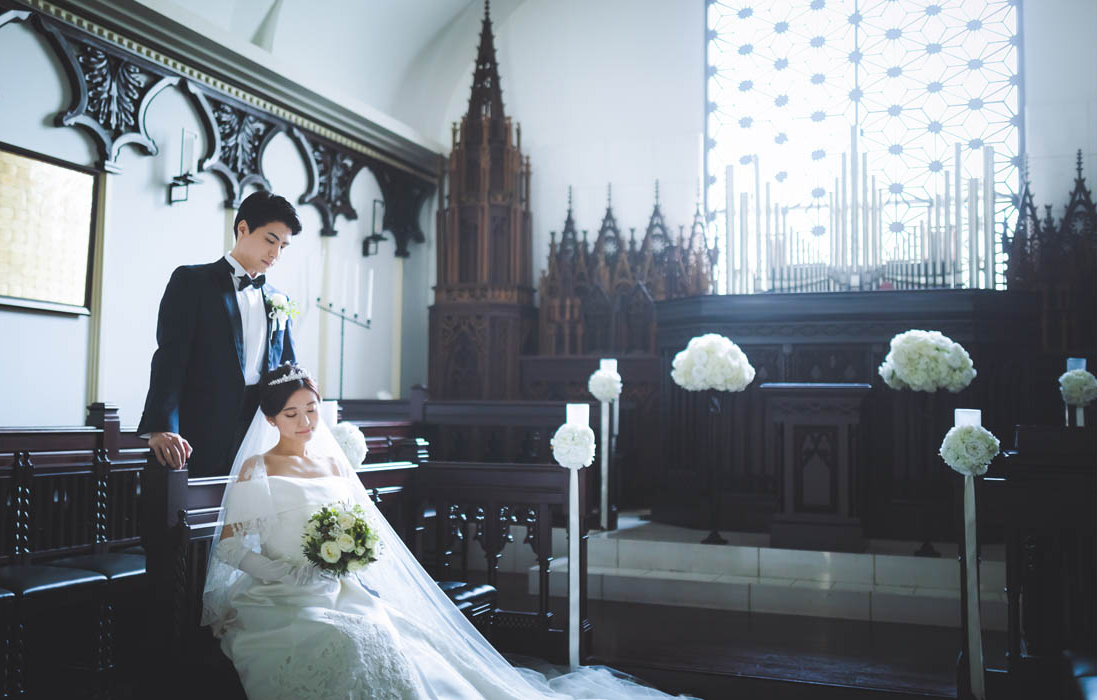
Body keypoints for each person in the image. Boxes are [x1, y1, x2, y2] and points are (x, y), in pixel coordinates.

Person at [204, 362, 695, 699]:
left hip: (338, 586)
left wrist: (347, 558)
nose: (306, 421)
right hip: (280, 596)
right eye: (292, 414)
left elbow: (360, 526)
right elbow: (229, 547)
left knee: (387, 633)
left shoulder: (331, 460)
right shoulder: (258, 470)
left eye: (311, 408)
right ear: (271, 419)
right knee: (342, 642)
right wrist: (283, 574)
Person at [137, 191, 302, 477]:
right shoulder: (192, 281)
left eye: (284, 247)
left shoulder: (279, 300)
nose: (275, 254)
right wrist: (161, 427)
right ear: (243, 229)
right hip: (199, 433)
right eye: (270, 240)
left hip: (259, 435)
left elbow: (287, 370)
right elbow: (170, 358)